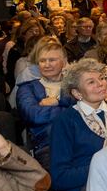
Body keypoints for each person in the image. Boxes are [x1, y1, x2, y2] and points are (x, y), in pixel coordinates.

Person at [50, 59, 107, 191]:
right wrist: (104, 169)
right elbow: (59, 177)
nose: (100, 84)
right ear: (77, 93)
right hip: (83, 189)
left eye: (101, 78)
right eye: (91, 82)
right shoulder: (65, 121)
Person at [17, 37, 73, 166]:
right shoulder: (27, 88)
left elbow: (86, 107)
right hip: (49, 145)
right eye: (42, 61)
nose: (47, 64)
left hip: (81, 139)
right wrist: (68, 108)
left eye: (52, 60)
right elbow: (34, 115)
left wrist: (57, 101)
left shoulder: (75, 85)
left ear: (64, 62)